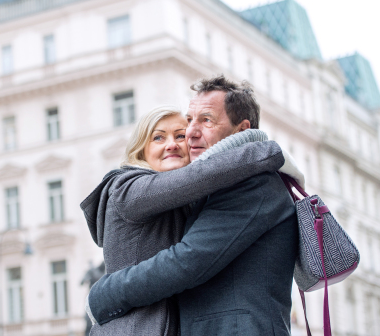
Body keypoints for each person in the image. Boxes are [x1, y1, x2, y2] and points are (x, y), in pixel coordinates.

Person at [85, 75, 299, 335]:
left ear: (242, 130)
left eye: (206, 120)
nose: (190, 133)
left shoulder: (253, 184)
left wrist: (103, 295)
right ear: (140, 149)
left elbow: (188, 261)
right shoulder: (128, 186)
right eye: (189, 120)